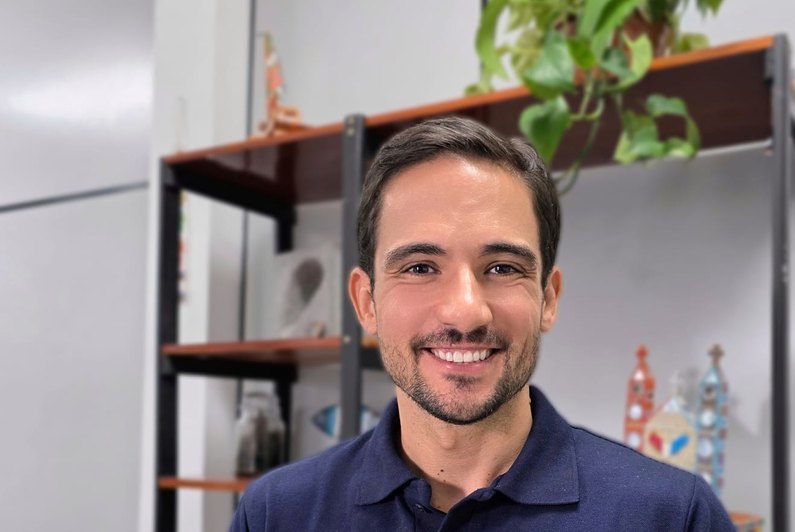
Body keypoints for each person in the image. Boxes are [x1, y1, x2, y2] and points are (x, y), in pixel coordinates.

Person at [230, 116, 735, 531]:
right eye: (420, 268)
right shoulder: (275, 515)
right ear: (366, 303)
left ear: (548, 298)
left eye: (502, 268)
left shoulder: (673, 517)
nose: (465, 311)